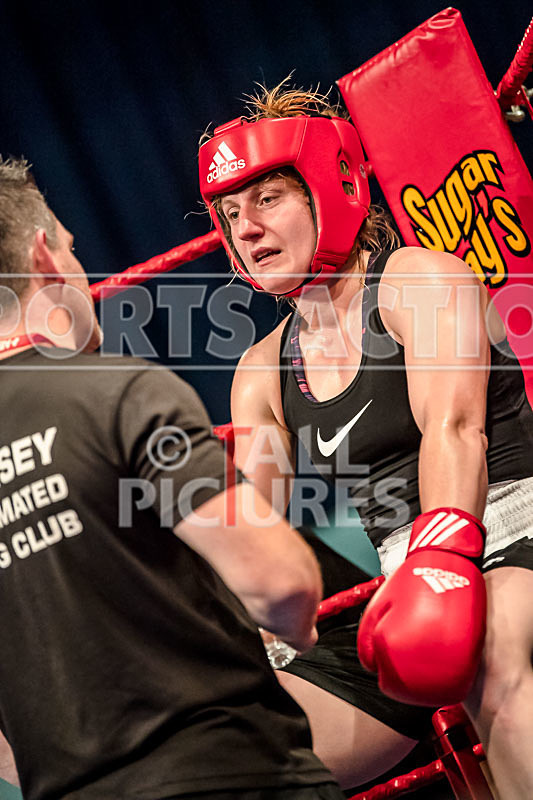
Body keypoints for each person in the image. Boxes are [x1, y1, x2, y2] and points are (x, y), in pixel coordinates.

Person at [198, 80, 533, 798]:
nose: (246, 228)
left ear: (328, 188)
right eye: (230, 213)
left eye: (266, 200)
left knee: (492, 656)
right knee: (238, 751)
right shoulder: (259, 369)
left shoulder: (420, 280)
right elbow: (259, 520)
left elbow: (456, 428)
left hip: (507, 526)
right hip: (399, 592)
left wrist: (439, 562)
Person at [0, 156, 347, 800]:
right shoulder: (116, 393)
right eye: (75, 253)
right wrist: (296, 627)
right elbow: (279, 579)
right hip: (233, 771)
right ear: (46, 257)